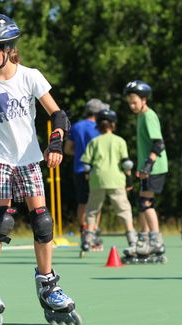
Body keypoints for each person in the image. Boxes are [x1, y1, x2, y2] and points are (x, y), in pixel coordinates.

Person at [0, 12, 81, 325]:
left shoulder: (30, 77)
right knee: (2, 220)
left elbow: (58, 114)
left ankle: (49, 286)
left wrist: (55, 143)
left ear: (8, 48)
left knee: (42, 221)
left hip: (28, 158)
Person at [79, 109, 137, 258]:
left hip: (97, 179)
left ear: (98, 125)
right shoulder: (120, 141)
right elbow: (126, 164)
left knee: (92, 210)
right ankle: (132, 240)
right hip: (116, 179)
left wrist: (87, 178)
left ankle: (87, 241)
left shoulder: (94, 142)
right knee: (123, 209)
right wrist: (129, 180)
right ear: (113, 124)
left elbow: (86, 165)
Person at [122, 80, 168, 264]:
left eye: (134, 101)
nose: (132, 105)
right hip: (146, 167)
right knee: (142, 203)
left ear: (144, 99)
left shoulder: (149, 116)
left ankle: (156, 241)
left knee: (146, 202)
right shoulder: (141, 116)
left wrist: (148, 164)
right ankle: (144, 240)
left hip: (154, 167)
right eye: (129, 102)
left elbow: (159, 143)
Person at [64, 98, 108, 249]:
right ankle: (94, 233)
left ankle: (84, 232)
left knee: (82, 202)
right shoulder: (100, 128)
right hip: (96, 170)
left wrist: (80, 154)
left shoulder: (76, 126)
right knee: (96, 203)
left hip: (79, 170)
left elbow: (67, 149)